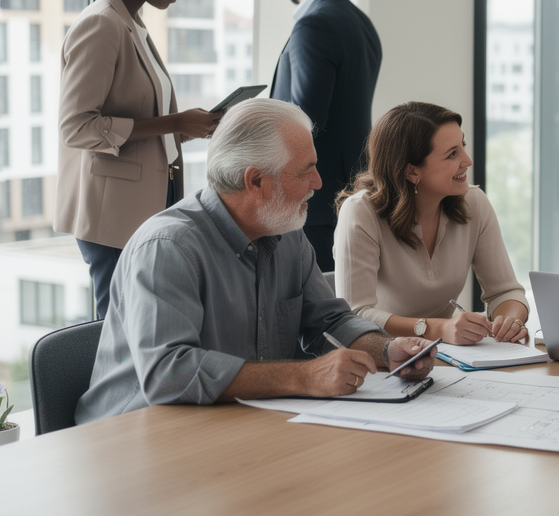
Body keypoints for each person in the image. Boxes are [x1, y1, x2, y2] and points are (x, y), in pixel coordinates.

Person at [75, 99, 435, 425]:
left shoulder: (287, 231)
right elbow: (168, 374)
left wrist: (388, 349)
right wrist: (305, 376)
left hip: (237, 422)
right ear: (256, 181)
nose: (318, 182)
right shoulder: (167, 247)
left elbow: (329, 321)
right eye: (305, 170)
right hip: (134, 435)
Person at [57, 0, 222, 319]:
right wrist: (174, 123)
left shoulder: (132, 25)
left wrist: (188, 127)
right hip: (113, 216)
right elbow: (77, 127)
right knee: (116, 329)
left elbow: (138, 118)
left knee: (142, 325)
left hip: (143, 205)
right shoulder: (101, 25)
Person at [334, 103, 530, 345]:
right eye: (452, 154)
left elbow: (506, 291)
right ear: (411, 172)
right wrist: (437, 328)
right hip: (383, 357)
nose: (467, 160)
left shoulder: (474, 202)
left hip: (445, 355)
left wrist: (510, 321)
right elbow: (356, 315)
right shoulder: (360, 212)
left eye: (463, 145)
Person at [271, 0, 382, 274]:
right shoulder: (361, 22)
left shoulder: (314, 25)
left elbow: (303, 121)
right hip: (349, 193)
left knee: (313, 300)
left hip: (314, 201)